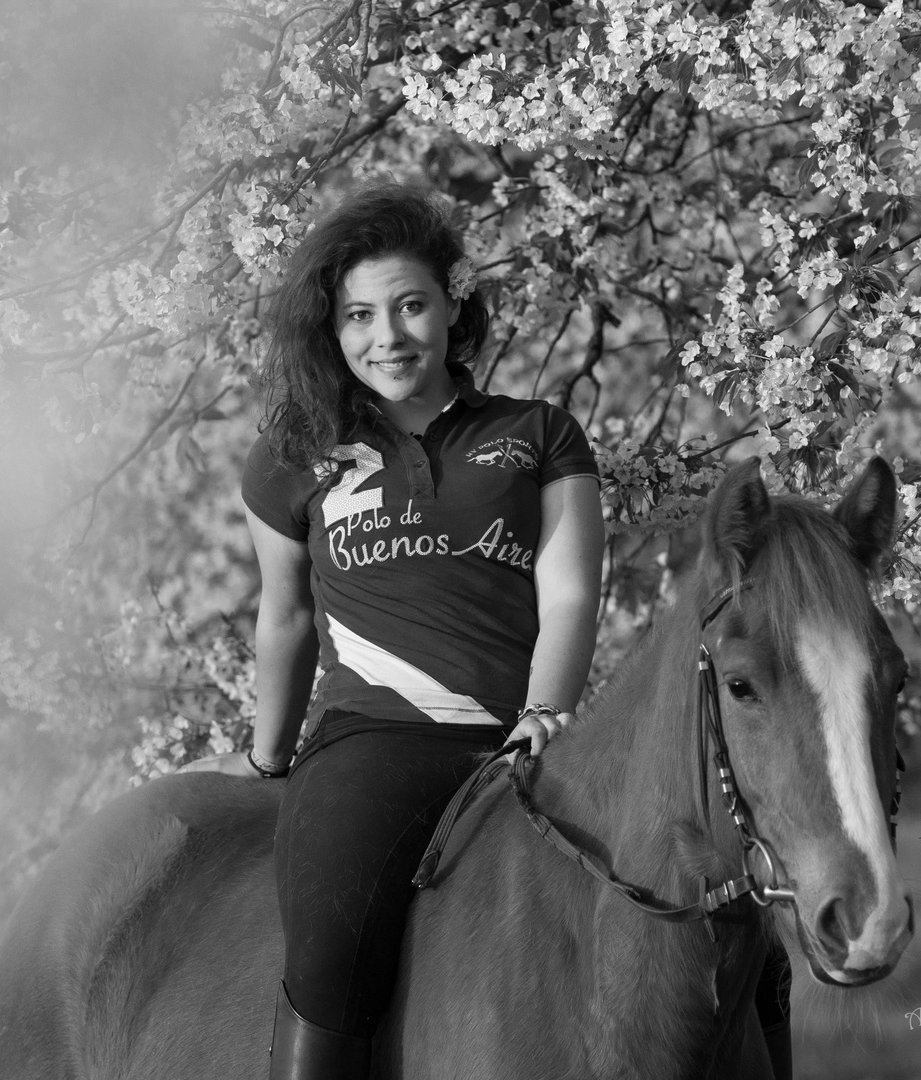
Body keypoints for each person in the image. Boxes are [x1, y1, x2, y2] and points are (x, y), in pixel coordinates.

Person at [181, 182, 605, 1080]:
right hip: (372, 745)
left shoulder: (539, 435)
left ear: (454, 306)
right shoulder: (294, 459)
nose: (389, 336)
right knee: (330, 954)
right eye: (359, 316)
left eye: (411, 306)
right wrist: (266, 760)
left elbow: (568, 597)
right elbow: (287, 613)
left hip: (528, 742)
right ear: (331, 332)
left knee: (728, 928)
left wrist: (544, 717)